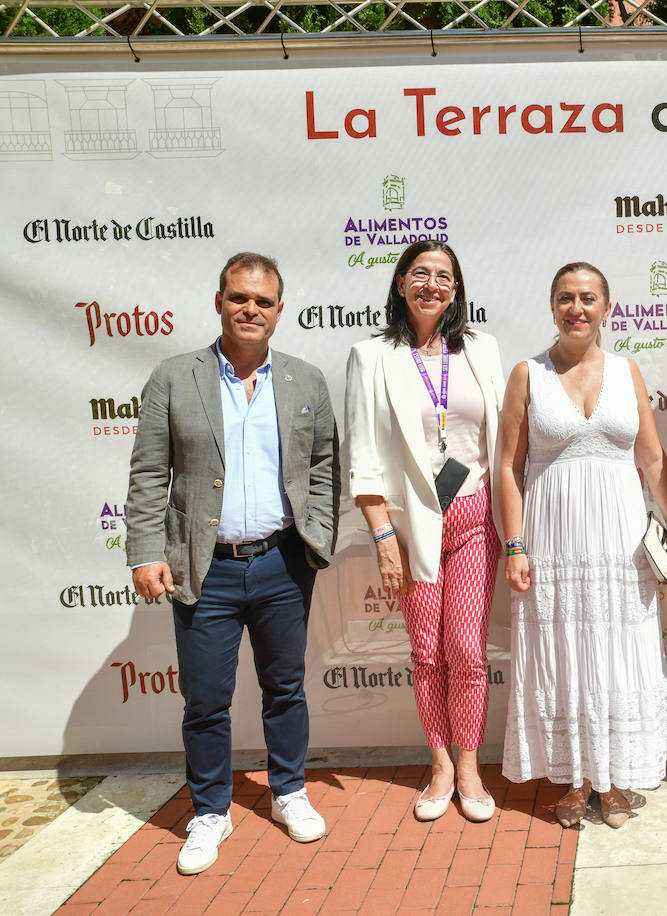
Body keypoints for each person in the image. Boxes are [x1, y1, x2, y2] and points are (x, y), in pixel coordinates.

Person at [125, 252, 339, 875]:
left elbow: (324, 464)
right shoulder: (173, 377)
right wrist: (144, 551)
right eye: (239, 298)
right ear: (218, 301)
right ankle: (211, 810)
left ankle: (288, 791)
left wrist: (317, 539)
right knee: (205, 700)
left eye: (263, 301)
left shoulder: (306, 380)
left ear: (279, 310)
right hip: (204, 567)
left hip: (282, 564)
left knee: (285, 687)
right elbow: (147, 475)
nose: (251, 309)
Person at [498, 261, 667, 829]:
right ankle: (576, 778)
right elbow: (508, 468)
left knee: (617, 653)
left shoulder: (628, 371)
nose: (576, 308)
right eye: (565, 298)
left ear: (607, 308)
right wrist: (514, 546)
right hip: (552, 540)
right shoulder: (526, 374)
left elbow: (651, 459)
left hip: (620, 542)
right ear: (552, 306)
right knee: (565, 651)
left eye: (587, 298)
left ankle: (617, 776)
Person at [344, 239, 504, 824]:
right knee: (427, 652)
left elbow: (502, 448)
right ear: (400, 284)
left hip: (473, 516)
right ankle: (438, 764)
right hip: (411, 525)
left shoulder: (481, 350)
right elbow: (362, 455)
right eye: (420, 274)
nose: (432, 284)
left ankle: (469, 766)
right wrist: (384, 538)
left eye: (444, 276)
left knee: (465, 650)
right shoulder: (371, 356)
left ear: (457, 289)